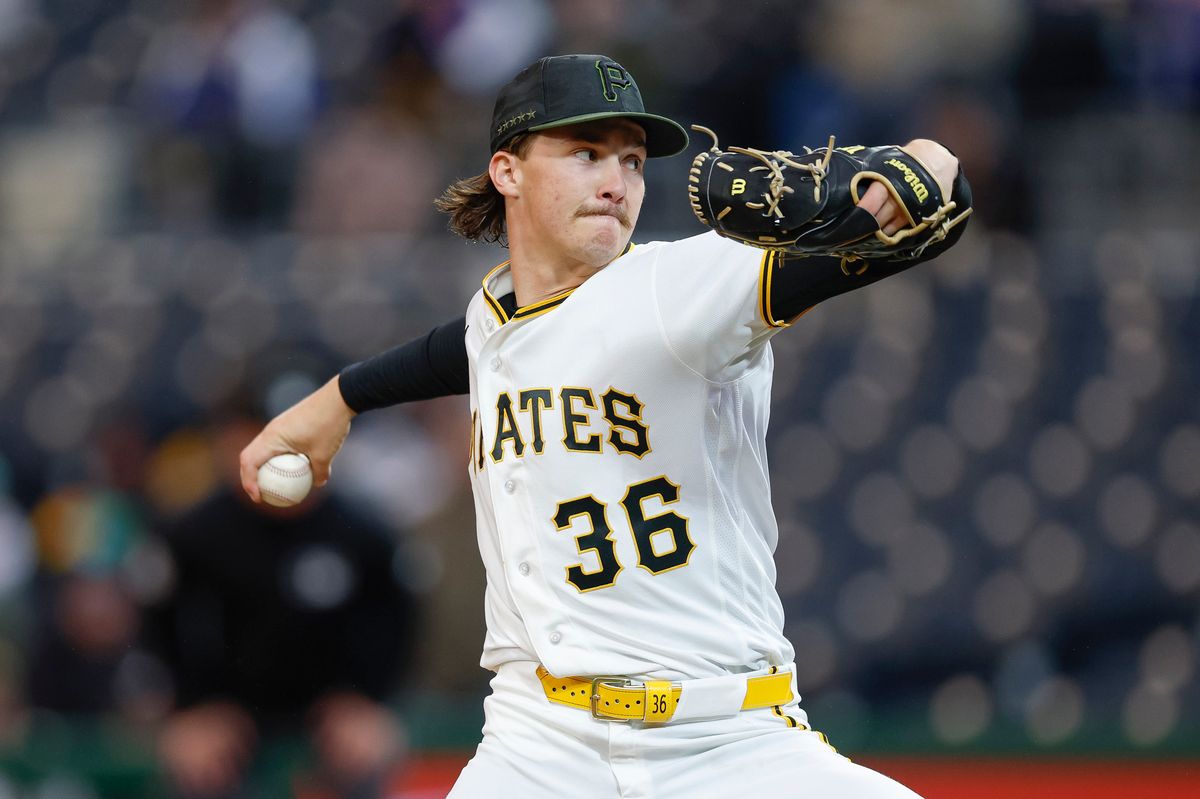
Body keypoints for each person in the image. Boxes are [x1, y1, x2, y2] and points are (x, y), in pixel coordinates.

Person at [240, 54, 971, 798]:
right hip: (539, 741)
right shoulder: (493, 315)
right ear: (507, 171)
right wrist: (336, 400)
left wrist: (920, 171)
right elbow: (464, 349)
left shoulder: (684, 285)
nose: (616, 181)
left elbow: (905, 210)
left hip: (723, 739)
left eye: (631, 159)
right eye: (586, 153)